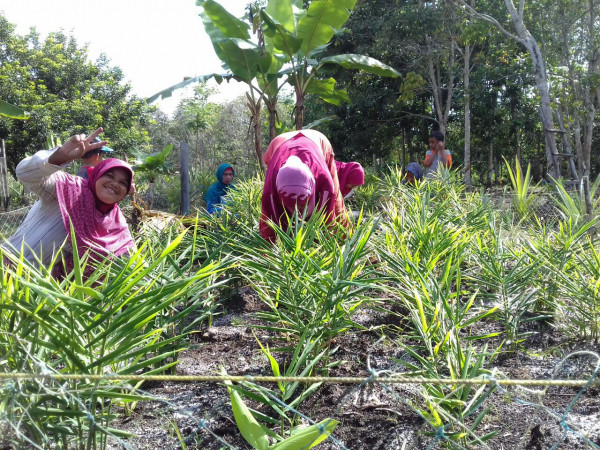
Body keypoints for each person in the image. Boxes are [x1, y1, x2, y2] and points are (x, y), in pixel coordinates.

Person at [3, 128, 135, 272]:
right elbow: (26, 174)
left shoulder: (116, 224)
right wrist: (60, 156)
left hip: (44, 290)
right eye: (109, 175)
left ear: (126, 192)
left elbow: (129, 261)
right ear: (97, 175)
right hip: (7, 272)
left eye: (123, 183)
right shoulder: (67, 189)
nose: (115, 183)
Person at [260, 130, 349, 242]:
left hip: (318, 141)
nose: (297, 212)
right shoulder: (270, 190)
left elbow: (327, 219)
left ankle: (348, 244)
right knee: (274, 216)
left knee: (337, 206)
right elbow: (268, 223)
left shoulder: (325, 180)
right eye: (293, 207)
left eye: (301, 206)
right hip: (278, 144)